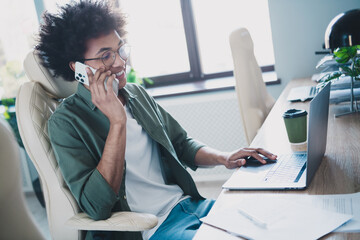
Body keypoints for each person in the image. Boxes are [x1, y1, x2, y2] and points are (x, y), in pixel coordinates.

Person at [36, 1, 277, 240]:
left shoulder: (136, 94)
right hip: (149, 229)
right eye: (106, 56)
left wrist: (224, 158)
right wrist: (117, 123)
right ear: (78, 68)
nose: (120, 62)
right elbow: (96, 205)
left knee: (268, 220)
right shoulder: (66, 122)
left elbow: (181, 143)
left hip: (188, 207)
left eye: (120, 50)